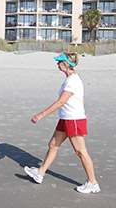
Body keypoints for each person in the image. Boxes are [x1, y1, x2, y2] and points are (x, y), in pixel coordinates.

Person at [24, 52, 100, 193]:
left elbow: (61, 102)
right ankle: (40, 173)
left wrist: (40, 115)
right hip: (65, 119)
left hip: (74, 120)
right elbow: (81, 100)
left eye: (59, 62)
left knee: (80, 151)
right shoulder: (70, 79)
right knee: (53, 145)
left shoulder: (73, 81)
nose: (57, 64)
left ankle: (93, 183)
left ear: (66, 64)